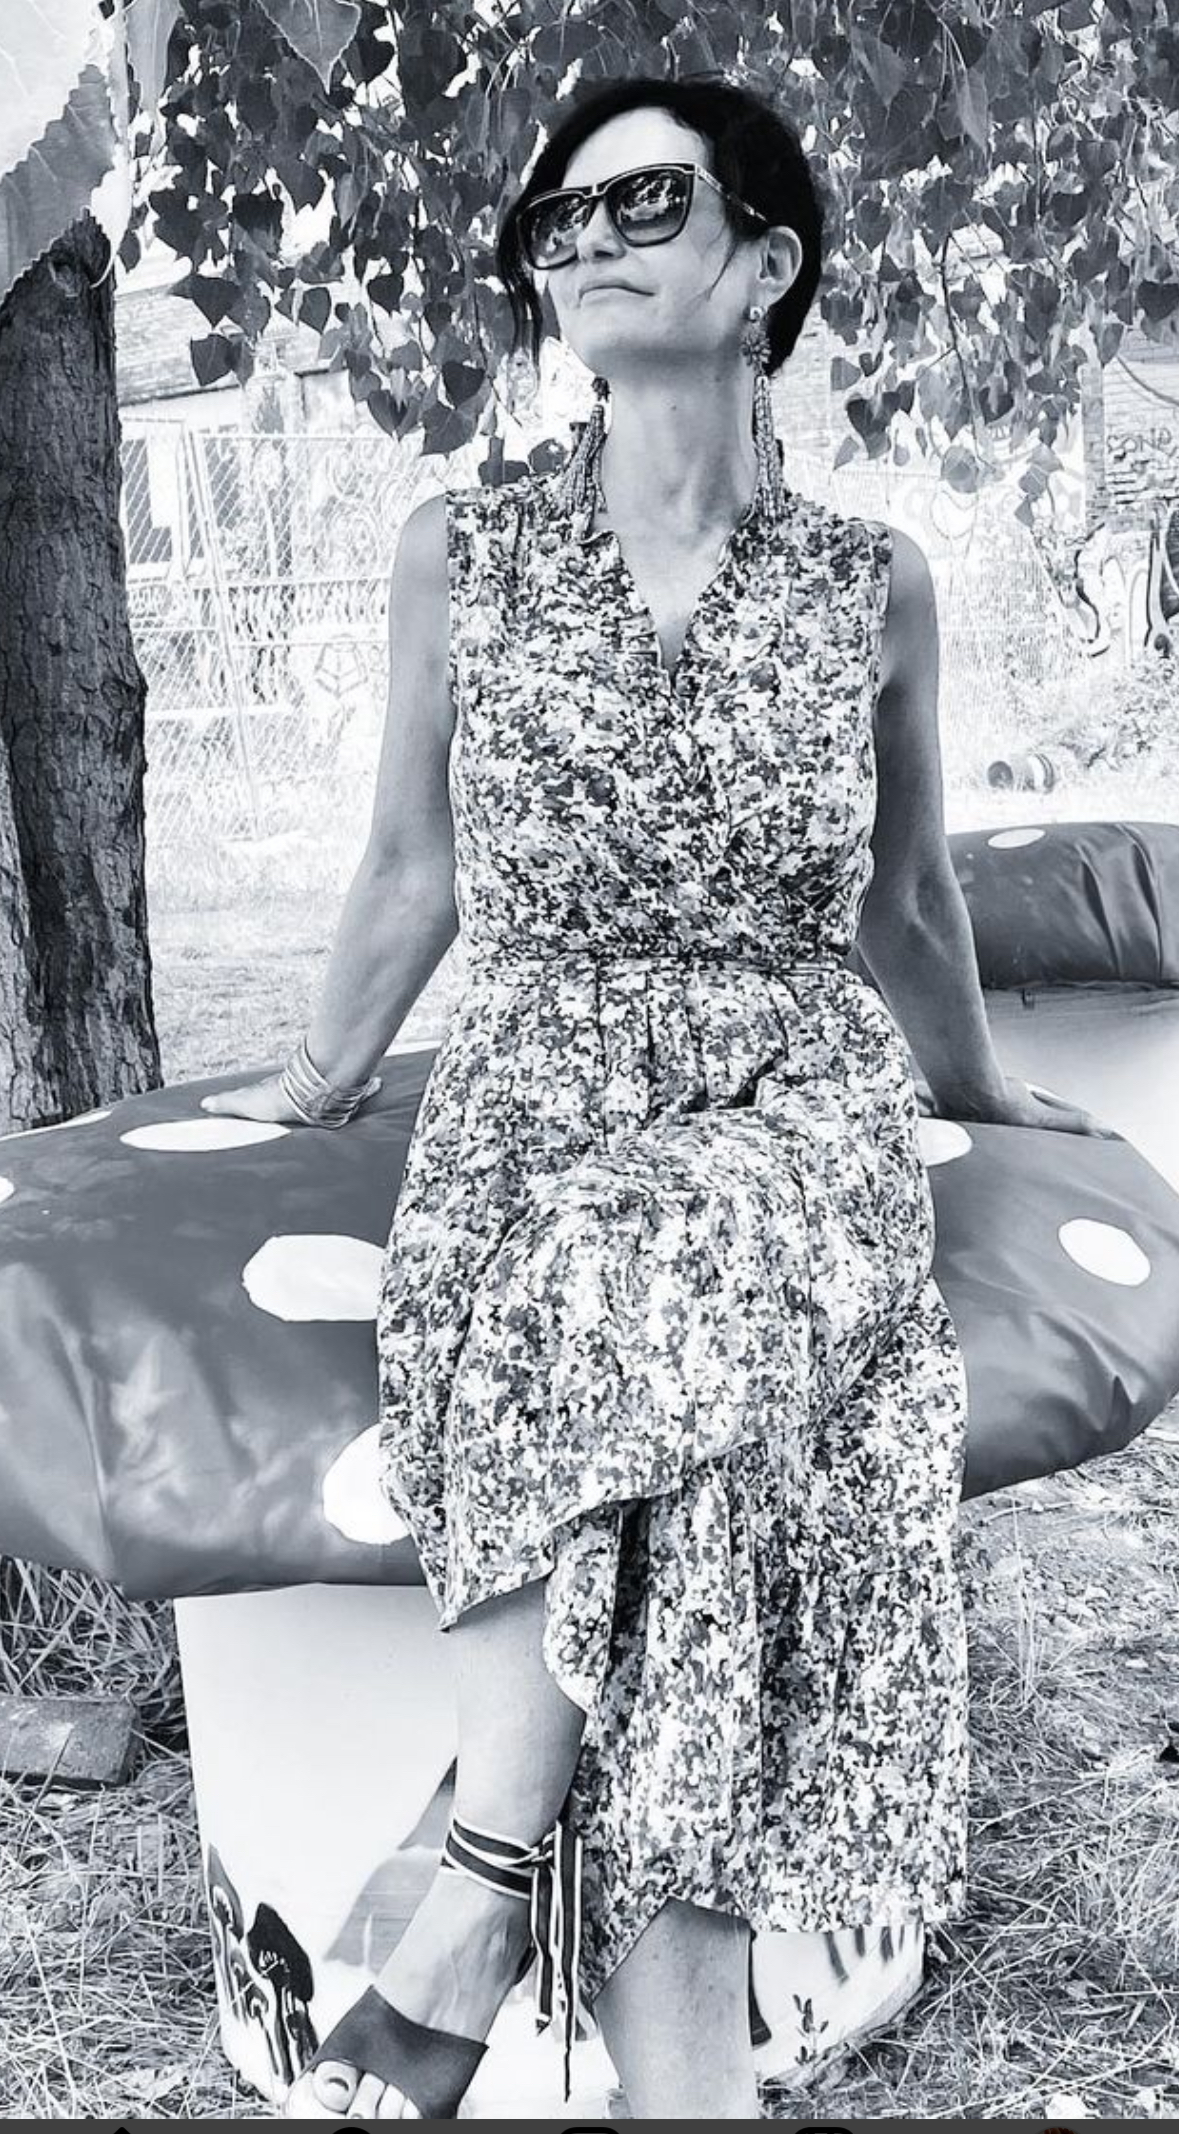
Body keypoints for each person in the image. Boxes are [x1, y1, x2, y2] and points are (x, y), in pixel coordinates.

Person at [201, 71, 1111, 2123]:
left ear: (766, 262)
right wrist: (318, 1081)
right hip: (531, 1079)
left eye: (644, 205)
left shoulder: (870, 582)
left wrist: (977, 1088)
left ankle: (473, 1882)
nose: (587, 244)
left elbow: (901, 895)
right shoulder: (463, 551)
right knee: (688, 1474)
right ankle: (675, 2076)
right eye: (560, 221)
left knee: (634, 1271)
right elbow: (412, 867)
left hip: (790, 1087)